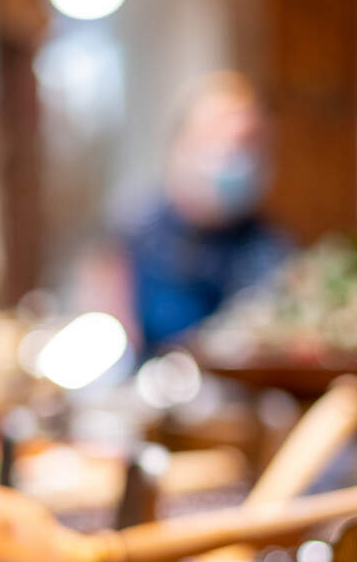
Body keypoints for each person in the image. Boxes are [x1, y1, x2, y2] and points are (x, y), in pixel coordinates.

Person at [82, 72, 285, 358]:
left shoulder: (271, 250)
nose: (233, 156)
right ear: (181, 146)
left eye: (247, 143)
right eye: (217, 139)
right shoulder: (129, 233)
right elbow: (106, 341)